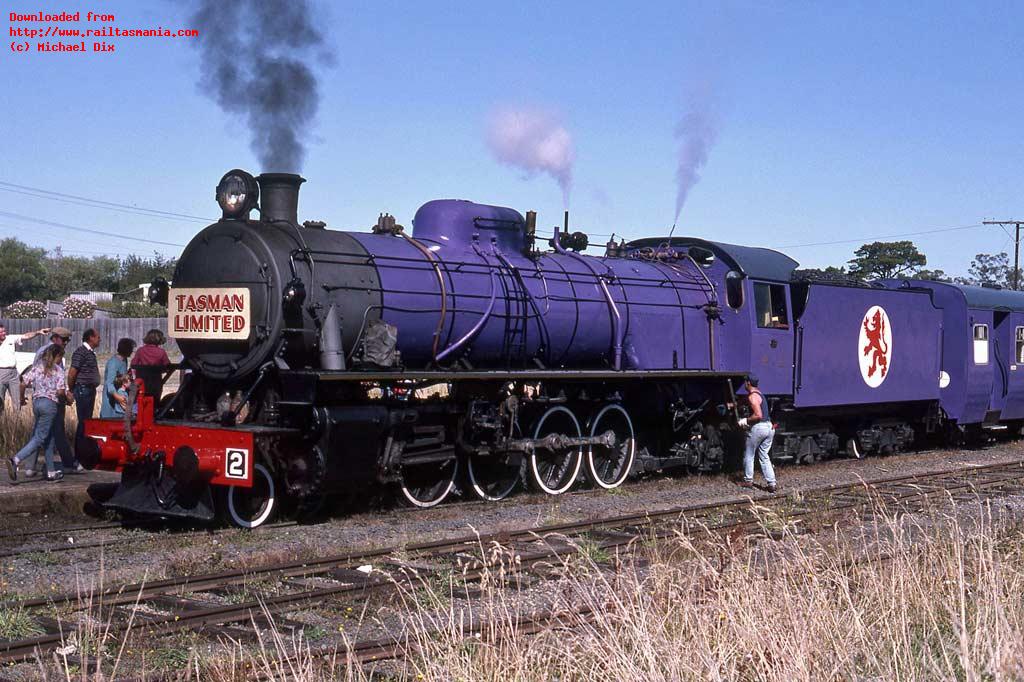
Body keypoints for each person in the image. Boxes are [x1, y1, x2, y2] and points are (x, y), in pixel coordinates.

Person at [6, 345, 68, 482]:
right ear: (58, 356)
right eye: (61, 357)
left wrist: (21, 398)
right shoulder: (58, 370)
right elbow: (60, 392)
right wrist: (67, 399)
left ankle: (51, 472)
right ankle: (15, 460)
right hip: (50, 405)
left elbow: (23, 383)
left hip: (37, 403)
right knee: (40, 437)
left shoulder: (39, 367)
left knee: (49, 437)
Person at [32, 327, 78, 472]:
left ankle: (31, 466)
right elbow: (54, 379)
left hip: (41, 397)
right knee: (54, 431)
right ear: (56, 338)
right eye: (64, 340)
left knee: (42, 432)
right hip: (51, 398)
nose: (66, 343)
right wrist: (66, 396)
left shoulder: (44, 351)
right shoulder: (52, 353)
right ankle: (68, 463)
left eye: (67, 340)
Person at [736, 374, 777, 493]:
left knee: (749, 454)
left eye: (745, 382)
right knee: (764, 455)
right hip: (769, 427)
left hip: (759, 428)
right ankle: (772, 483)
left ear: (748, 383)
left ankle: (748, 481)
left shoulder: (752, 397)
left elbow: (758, 415)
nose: (744, 384)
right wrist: (734, 405)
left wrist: (745, 420)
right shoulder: (759, 394)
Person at [0, 324, 50, 414]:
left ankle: (17, 422)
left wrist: (38, 332)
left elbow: (25, 336)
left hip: (13, 373)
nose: (4, 333)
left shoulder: (10, 338)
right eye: (1, 332)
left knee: (17, 401)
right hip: (1, 372)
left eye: (4, 331)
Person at [68, 329, 102, 449]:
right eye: (98, 337)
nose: (100, 339)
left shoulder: (90, 352)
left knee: (86, 422)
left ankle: (82, 451)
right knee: (84, 422)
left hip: (89, 390)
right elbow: (72, 373)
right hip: (83, 390)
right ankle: (79, 453)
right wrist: (71, 390)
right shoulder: (81, 352)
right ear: (91, 338)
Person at [100, 338, 136, 418]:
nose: (132, 351)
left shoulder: (124, 360)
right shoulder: (113, 363)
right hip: (112, 396)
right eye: (131, 349)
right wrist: (117, 397)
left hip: (120, 393)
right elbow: (109, 383)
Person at [131, 329, 170, 397]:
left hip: (141, 382)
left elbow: (133, 364)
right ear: (160, 339)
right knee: (155, 402)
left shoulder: (140, 350)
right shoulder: (161, 352)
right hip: (156, 383)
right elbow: (168, 365)